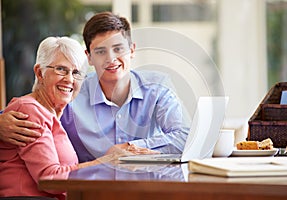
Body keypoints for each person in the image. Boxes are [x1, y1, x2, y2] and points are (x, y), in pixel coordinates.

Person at [0, 12, 189, 163]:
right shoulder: (70, 91)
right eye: (100, 51)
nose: (111, 59)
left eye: (118, 48)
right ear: (88, 57)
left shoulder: (157, 88)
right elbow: (29, 112)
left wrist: (129, 148)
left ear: (131, 50)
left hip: (147, 187)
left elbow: (184, 137)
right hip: (88, 191)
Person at [0, 36, 130, 199]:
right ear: (40, 73)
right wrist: (106, 162)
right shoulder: (29, 110)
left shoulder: (53, 114)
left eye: (76, 73)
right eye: (61, 69)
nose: (69, 79)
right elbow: (49, 178)